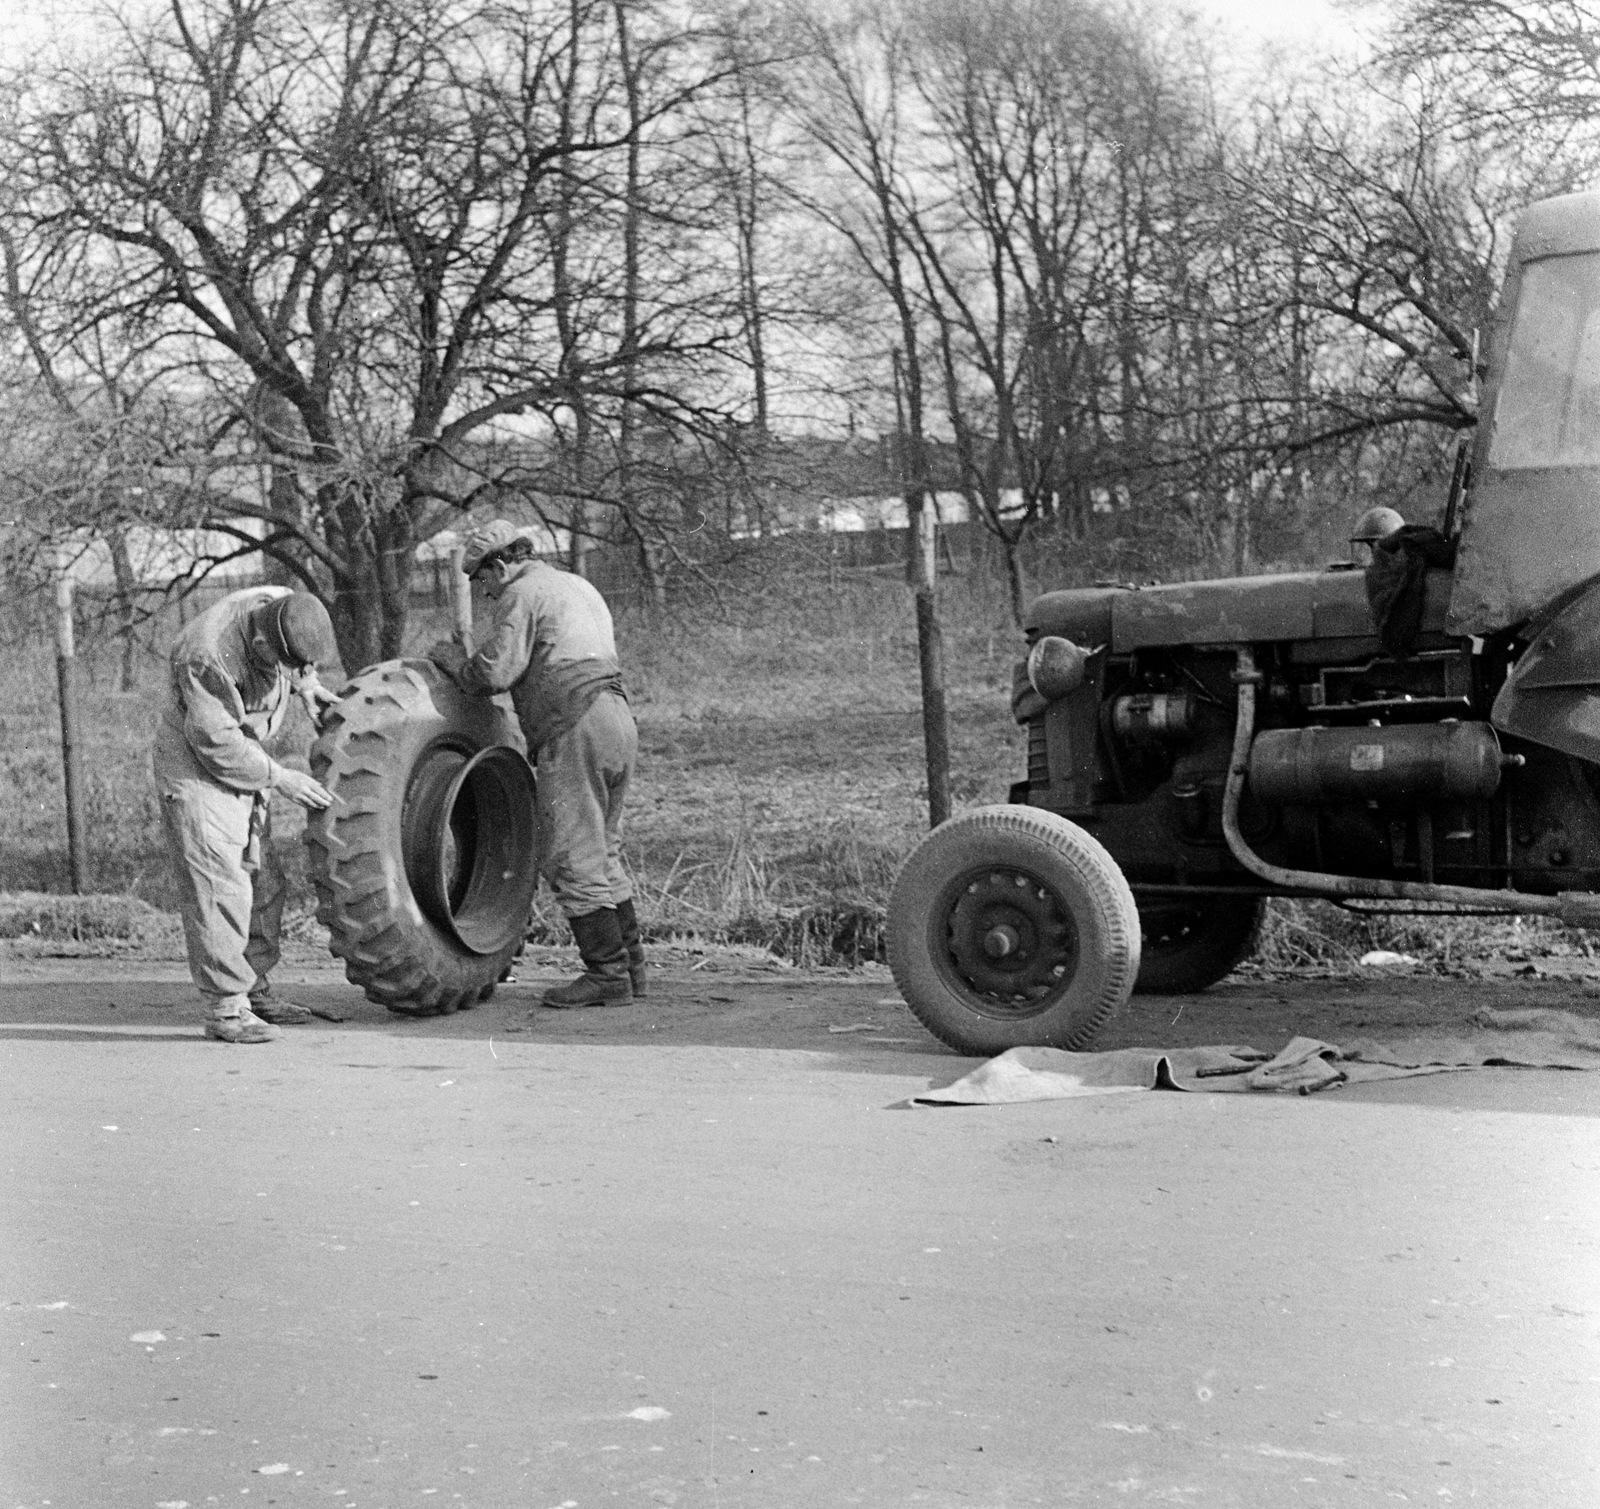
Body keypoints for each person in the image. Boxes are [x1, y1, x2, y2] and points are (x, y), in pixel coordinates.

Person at [429, 520, 642, 1008]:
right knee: (604, 848)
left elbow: (496, 672)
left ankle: (607, 974)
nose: (483, 594)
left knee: (572, 852)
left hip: (575, 722)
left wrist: (454, 664)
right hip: (617, 719)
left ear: (500, 565)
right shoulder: (577, 584)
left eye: (482, 581)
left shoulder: (522, 594)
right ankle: (632, 968)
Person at [153, 587, 343, 1043]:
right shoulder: (207, 653)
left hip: (247, 752)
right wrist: (281, 778)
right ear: (260, 647)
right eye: (283, 664)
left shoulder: (284, 604)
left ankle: (254, 991)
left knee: (263, 877)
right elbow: (215, 741)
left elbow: (299, 654)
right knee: (221, 884)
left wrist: (307, 686)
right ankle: (226, 1009)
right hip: (200, 764)